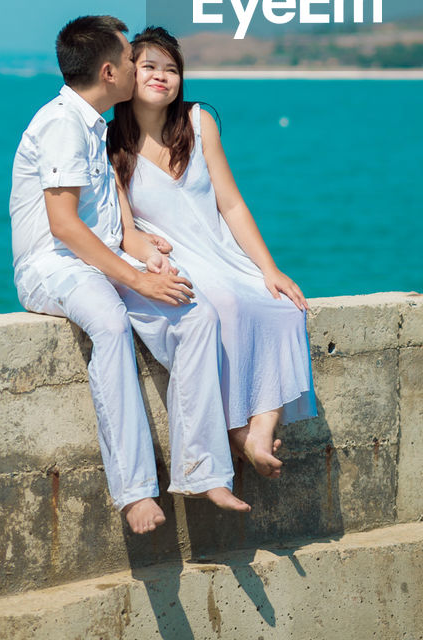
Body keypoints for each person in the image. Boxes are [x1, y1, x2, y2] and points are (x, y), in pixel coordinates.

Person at [9, 15, 250, 535]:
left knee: (196, 314)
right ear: (108, 71)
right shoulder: (60, 125)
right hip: (52, 267)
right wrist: (138, 279)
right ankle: (136, 491)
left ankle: (204, 470)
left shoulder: (95, 125)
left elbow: (110, 219)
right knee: (112, 325)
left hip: (100, 259)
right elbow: (65, 226)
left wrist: (146, 252)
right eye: (128, 59)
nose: (136, 67)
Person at [108, 26, 316, 479]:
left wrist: (269, 267)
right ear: (127, 73)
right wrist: (146, 252)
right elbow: (123, 229)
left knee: (285, 309)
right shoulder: (111, 144)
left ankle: (257, 432)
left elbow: (232, 203)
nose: (162, 77)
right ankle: (240, 434)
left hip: (219, 248)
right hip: (175, 257)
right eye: (149, 67)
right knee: (226, 305)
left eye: (172, 69)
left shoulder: (199, 122)